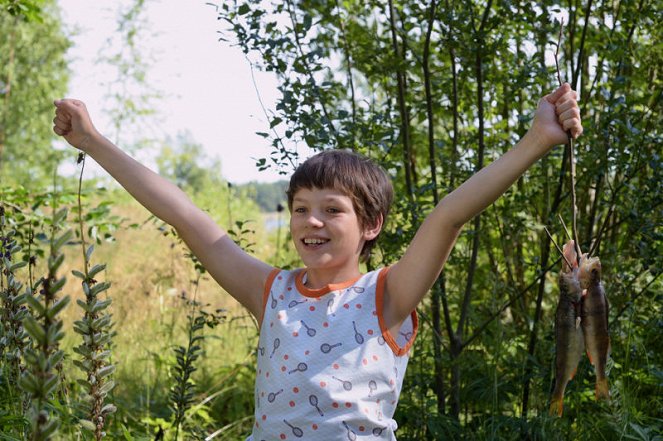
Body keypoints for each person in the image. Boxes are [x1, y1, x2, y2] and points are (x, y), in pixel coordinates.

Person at [53, 83, 582, 439]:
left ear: (370, 226)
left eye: (333, 210)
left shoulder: (387, 296)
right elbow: (188, 217)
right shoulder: (272, 292)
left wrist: (537, 139)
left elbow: (447, 217)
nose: (311, 222)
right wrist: (92, 141)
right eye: (300, 209)